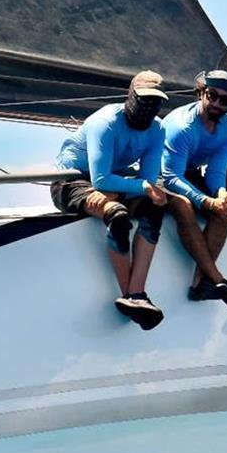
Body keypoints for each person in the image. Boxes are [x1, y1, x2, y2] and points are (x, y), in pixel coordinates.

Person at [52, 70, 169, 330]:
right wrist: (134, 188)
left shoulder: (157, 129)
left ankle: (136, 294)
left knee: (154, 208)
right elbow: (101, 181)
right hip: (71, 181)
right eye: (143, 100)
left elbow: (148, 179)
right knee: (117, 214)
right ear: (130, 96)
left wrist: (149, 191)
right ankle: (131, 295)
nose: (148, 107)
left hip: (114, 179)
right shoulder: (105, 122)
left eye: (155, 102)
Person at [161, 70, 227, 307]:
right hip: (160, 174)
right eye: (212, 95)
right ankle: (218, 279)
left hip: (188, 174)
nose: (218, 103)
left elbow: (216, 172)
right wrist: (207, 201)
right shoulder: (182, 127)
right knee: (185, 206)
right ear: (201, 93)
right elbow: (170, 177)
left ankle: (202, 284)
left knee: (225, 211)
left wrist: (221, 195)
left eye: (226, 100)